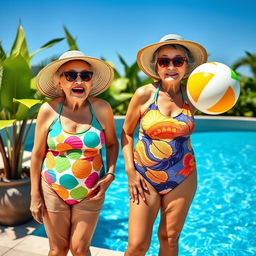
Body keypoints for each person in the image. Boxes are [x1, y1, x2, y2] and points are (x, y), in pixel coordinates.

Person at [121, 34, 207, 256]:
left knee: (169, 239)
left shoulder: (193, 96)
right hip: (145, 177)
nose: (171, 66)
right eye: (164, 61)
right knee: (137, 246)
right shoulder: (144, 95)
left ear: (186, 66)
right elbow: (127, 133)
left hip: (183, 176)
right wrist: (130, 171)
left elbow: (221, 92)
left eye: (178, 61)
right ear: (156, 67)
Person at [30, 50, 118, 256]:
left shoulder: (102, 109)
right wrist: (35, 195)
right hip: (53, 188)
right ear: (59, 81)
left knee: (80, 249)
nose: (78, 80)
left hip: (91, 191)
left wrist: (110, 175)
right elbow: (36, 155)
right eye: (71, 75)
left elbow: (113, 144)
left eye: (85, 75)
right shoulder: (48, 110)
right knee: (58, 250)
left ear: (91, 81)